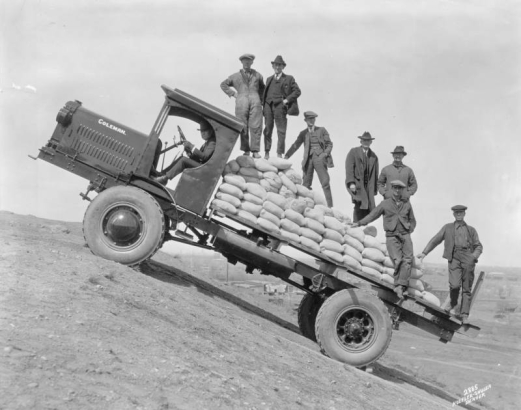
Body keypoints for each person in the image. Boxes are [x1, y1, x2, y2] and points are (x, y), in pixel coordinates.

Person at [417, 205, 483, 324]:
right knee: (454, 285)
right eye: (456, 212)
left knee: (467, 289)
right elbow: (435, 240)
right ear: (453, 214)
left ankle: (464, 315)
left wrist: (473, 257)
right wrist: (424, 253)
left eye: (461, 212)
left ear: (464, 214)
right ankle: (453, 304)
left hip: (468, 257)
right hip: (454, 258)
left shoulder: (471, 230)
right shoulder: (447, 228)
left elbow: (478, 246)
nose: (459, 214)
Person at [352, 180, 416, 299]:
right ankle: (398, 285)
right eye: (395, 188)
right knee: (398, 260)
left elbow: (413, 220)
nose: (397, 190)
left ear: (402, 190)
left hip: (405, 235)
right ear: (392, 189)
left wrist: (408, 230)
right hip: (392, 236)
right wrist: (360, 223)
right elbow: (373, 215)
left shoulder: (406, 204)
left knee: (408, 260)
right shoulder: (385, 204)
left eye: (400, 189)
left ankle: (402, 287)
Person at [285, 111, 334, 207]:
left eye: (313, 119)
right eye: (309, 119)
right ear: (305, 120)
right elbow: (296, 145)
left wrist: (324, 154)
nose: (311, 121)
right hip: (308, 160)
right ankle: (306, 205)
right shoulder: (303, 133)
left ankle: (330, 206)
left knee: (325, 182)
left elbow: (329, 144)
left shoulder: (322, 130)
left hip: (320, 158)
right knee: (306, 184)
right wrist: (287, 156)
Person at [220, 53, 265, 158]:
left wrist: (261, 99)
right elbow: (223, 84)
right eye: (244, 61)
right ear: (241, 62)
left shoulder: (258, 75)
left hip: (255, 100)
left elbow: (263, 88)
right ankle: (246, 150)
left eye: (249, 61)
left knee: (256, 126)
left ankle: (255, 150)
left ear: (252, 62)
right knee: (242, 125)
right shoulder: (235, 76)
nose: (246, 63)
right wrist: (234, 94)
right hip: (241, 101)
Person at [262, 55, 301, 159]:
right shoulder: (269, 79)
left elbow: (297, 91)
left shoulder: (289, 78)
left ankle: (279, 153)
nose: (277, 67)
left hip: (280, 106)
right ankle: (266, 152)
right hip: (268, 106)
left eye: (279, 65)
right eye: (275, 65)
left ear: (283, 67)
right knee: (267, 129)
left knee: (281, 130)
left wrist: (286, 100)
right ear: (273, 66)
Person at [345, 132, 379, 222]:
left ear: (371, 142)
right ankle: (356, 226)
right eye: (364, 140)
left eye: (368, 141)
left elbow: (375, 174)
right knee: (359, 205)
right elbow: (349, 168)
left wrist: (375, 190)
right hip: (358, 185)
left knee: (369, 208)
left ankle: (365, 230)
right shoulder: (354, 152)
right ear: (360, 141)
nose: (366, 142)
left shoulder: (373, 156)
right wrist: (351, 183)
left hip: (369, 187)